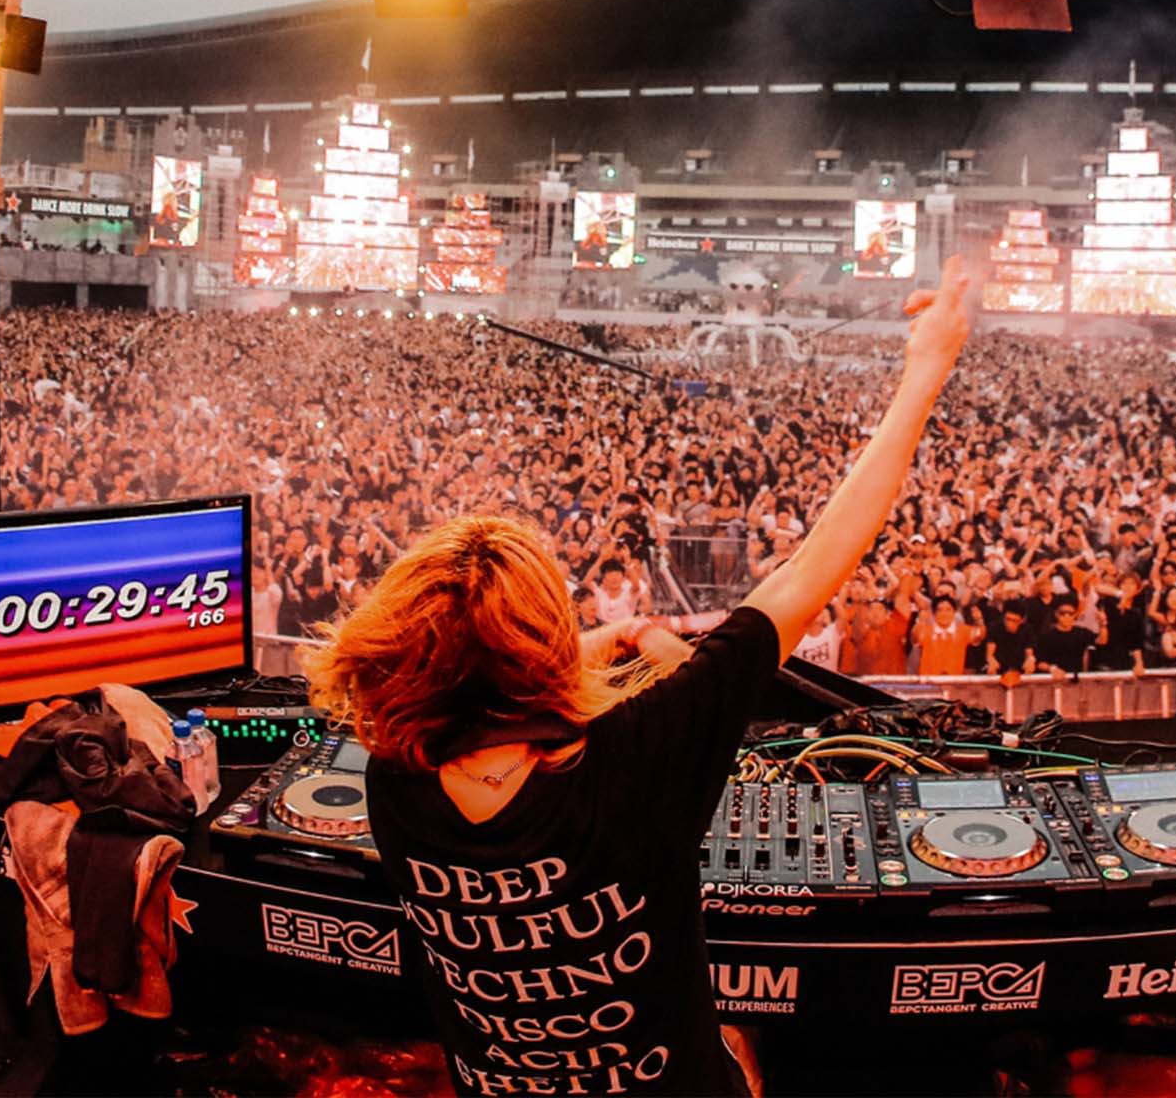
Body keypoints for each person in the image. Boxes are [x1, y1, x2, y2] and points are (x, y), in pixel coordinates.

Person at [305, 258, 973, 1096]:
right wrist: (927, 366)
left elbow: (477, 680)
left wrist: (604, 639)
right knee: (758, 1046)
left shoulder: (394, 781)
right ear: (547, 644)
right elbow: (810, 570)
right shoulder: (636, 754)